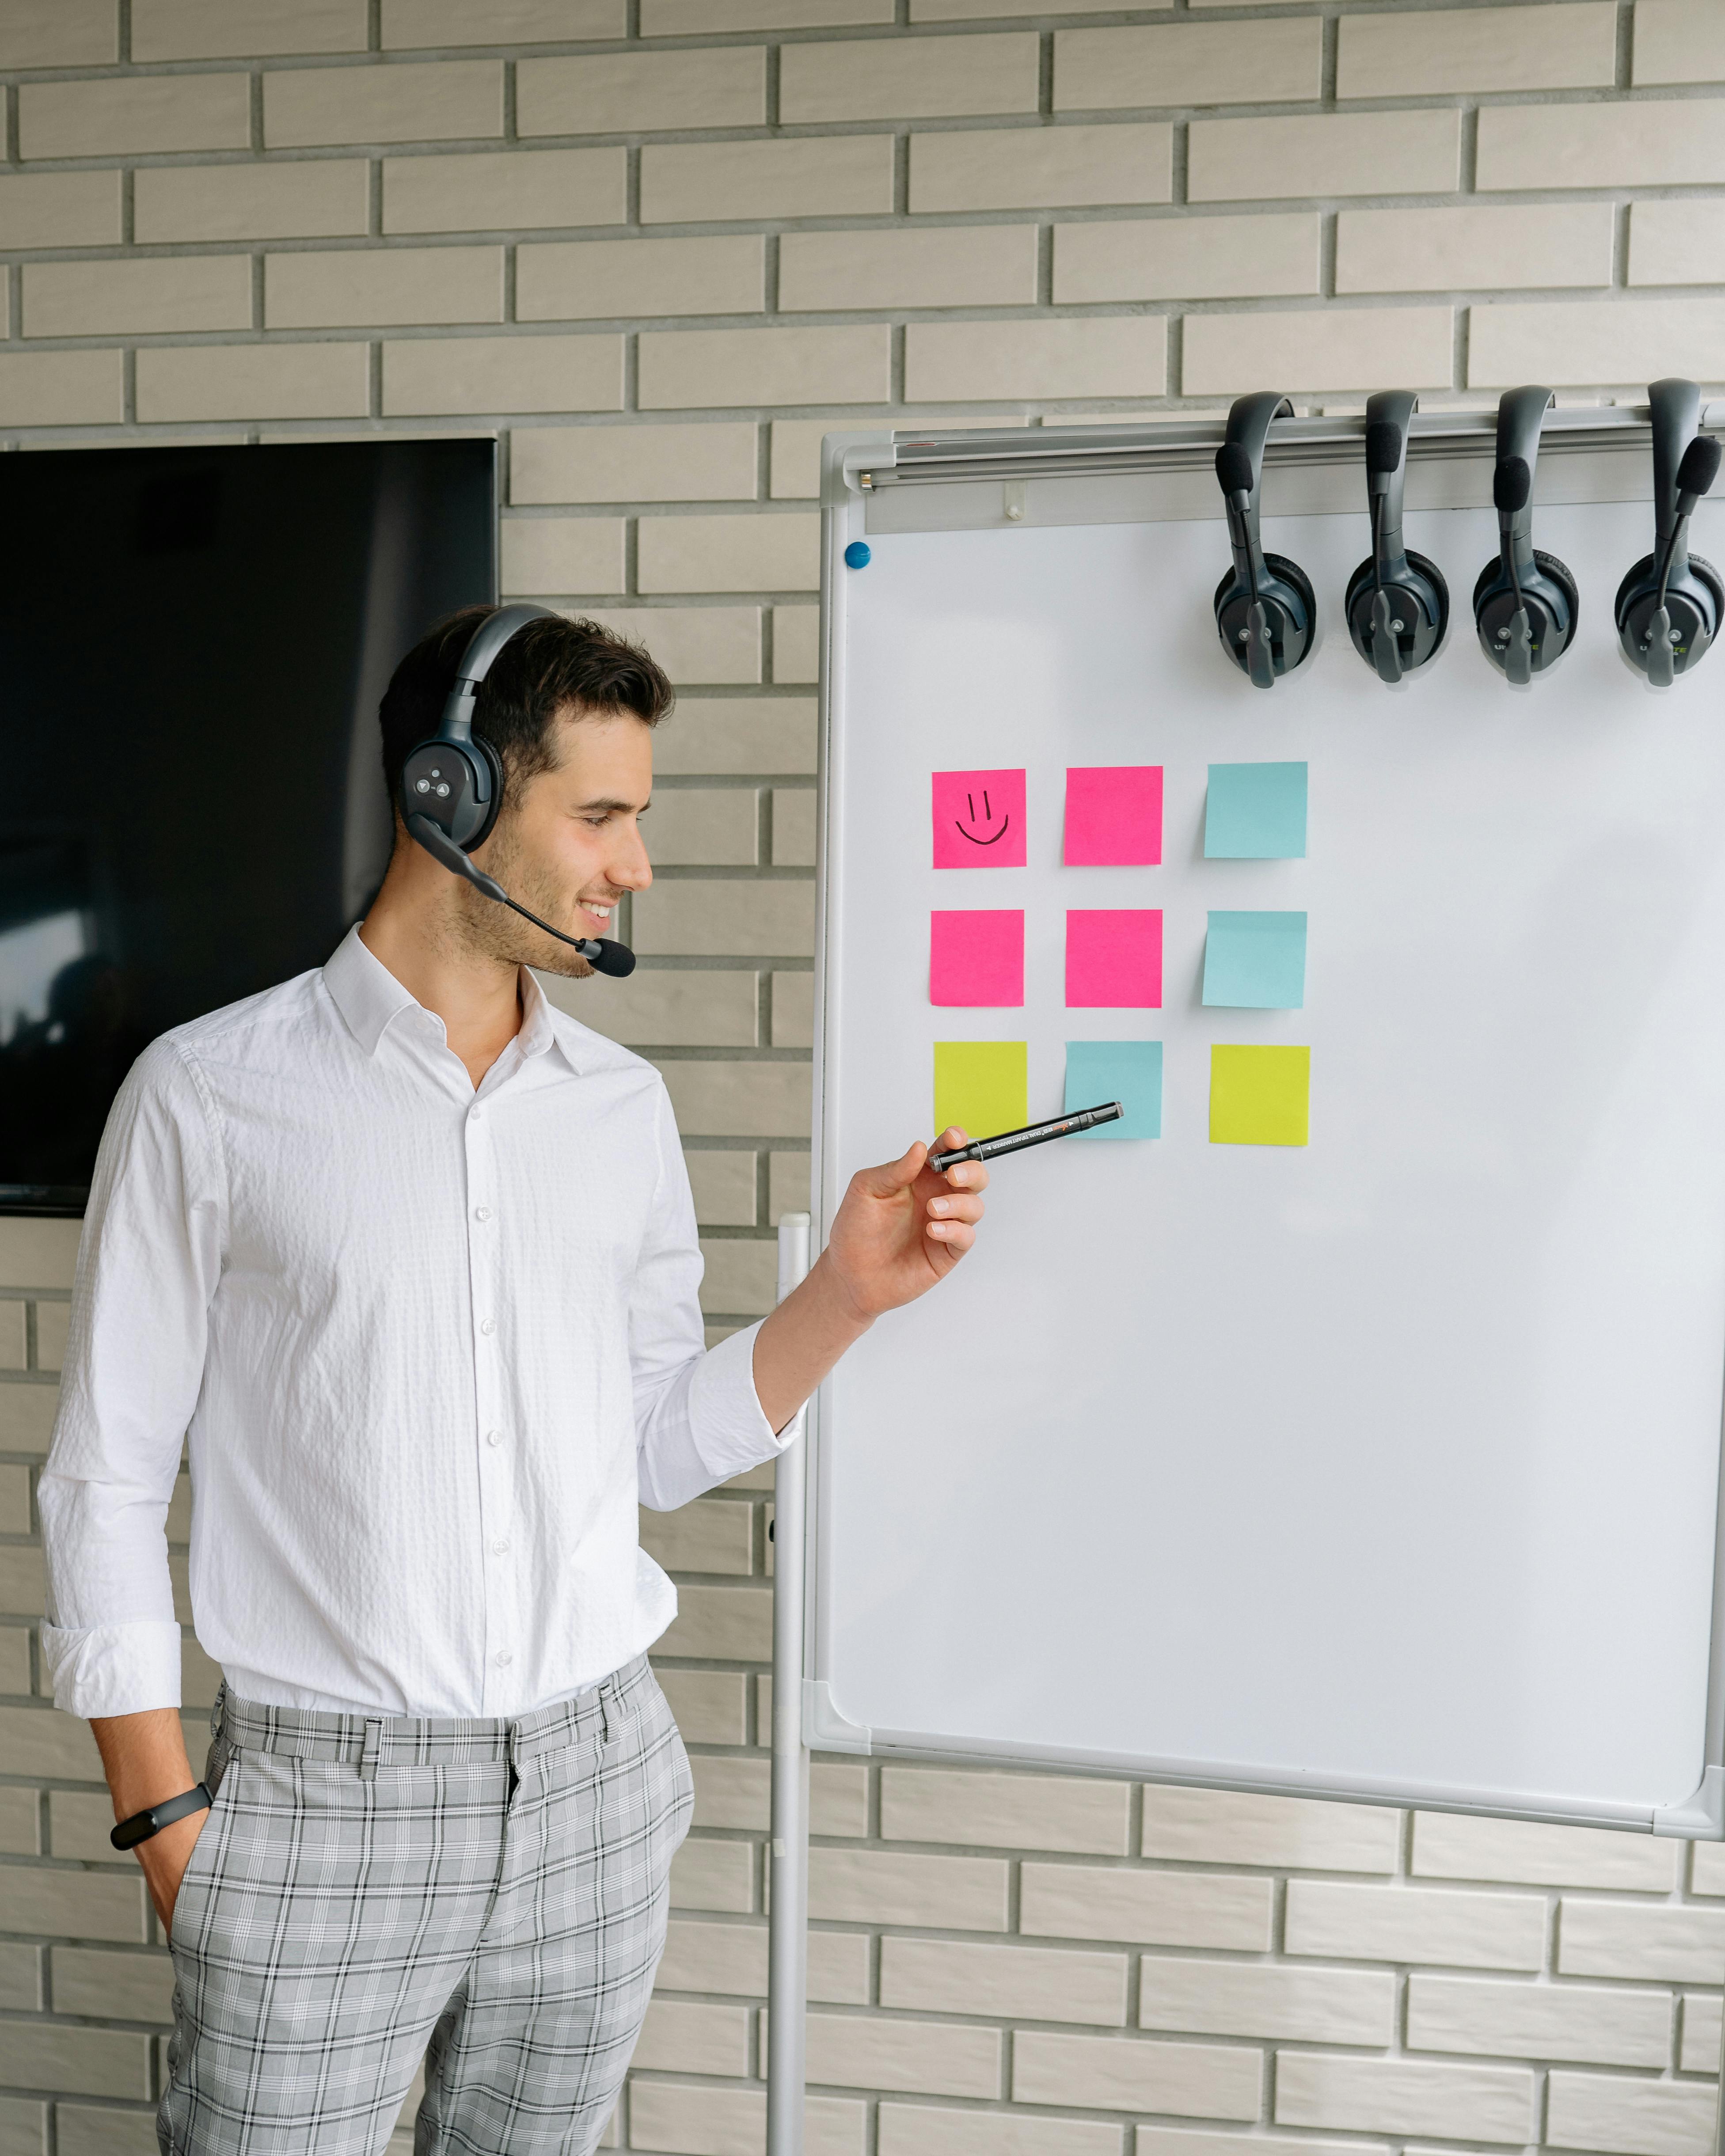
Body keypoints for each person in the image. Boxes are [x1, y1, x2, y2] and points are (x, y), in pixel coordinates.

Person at [38, 607, 988, 2156]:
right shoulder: (208, 1096)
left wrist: (844, 1298)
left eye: (641, 821)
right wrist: (167, 1824)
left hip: (596, 1789)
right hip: (316, 1815)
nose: (636, 867)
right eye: (601, 817)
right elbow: (106, 1478)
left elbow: (643, 1448)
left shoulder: (621, 1109)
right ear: (450, 798)